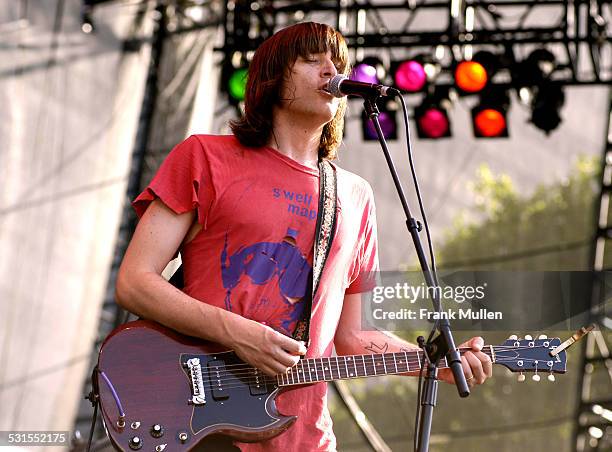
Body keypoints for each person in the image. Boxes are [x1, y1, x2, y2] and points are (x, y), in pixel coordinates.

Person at [115, 21, 492, 452]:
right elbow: (134, 282)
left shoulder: (354, 197)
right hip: (201, 423)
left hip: (303, 439)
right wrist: (239, 333)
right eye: (312, 61)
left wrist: (432, 363)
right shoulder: (205, 157)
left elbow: (351, 338)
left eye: (337, 62)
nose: (331, 71)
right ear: (273, 79)